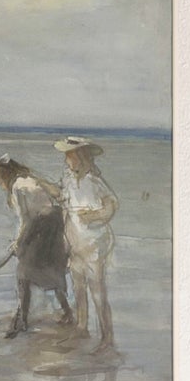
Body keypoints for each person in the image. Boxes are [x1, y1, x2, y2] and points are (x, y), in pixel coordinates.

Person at [0, 155, 73, 339]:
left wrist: (18, 242)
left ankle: (23, 320)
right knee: (52, 269)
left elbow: (27, 219)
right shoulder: (30, 179)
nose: (0, 184)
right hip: (54, 226)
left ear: (4, 176)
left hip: (40, 228)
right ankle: (67, 312)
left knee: (24, 273)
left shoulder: (18, 187)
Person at [55, 136, 118, 351]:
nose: (67, 161)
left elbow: (111, 207)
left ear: (81, 157)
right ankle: (82, 327)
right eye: (66, 157)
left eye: (70, 156)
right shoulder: (68, 180)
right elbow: (64, 206)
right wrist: (64, 237)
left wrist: (93, 215)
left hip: (94, 242)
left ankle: (107, 337)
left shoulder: (93, 181)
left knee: (97, 289)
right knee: (78, 286)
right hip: (75, 240)